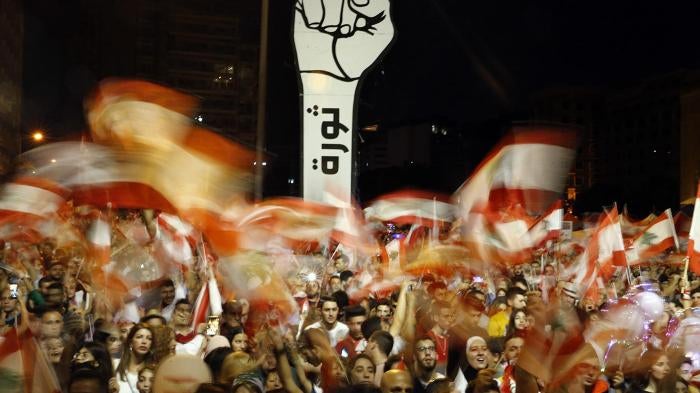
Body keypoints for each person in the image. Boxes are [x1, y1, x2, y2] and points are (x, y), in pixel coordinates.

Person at [115, 323, 156, 393]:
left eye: (149, 338)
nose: (144, 342)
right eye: (139, 337)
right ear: (131, 342)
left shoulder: (156, 370)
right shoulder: (115, 365)